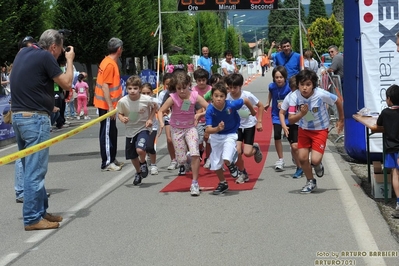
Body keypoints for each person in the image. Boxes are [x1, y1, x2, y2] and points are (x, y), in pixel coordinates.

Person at [11, 29, 75, 230]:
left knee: (31, 166)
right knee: (35, 170)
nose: (61, 54)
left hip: (18, 116)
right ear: (54, 47)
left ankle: (40, 211)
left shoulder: (23, 53)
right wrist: (70, 60)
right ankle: (32, 218)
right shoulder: (46, 56)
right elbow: (66, 84)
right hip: (34, 118)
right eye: (61, 50)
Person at [287, 69, 344, 193]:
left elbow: (338, 101)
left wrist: (341, 120)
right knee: (302, 158)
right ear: (298, 85)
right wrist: (301, 114)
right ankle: (310, 181)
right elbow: (291, 119)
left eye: (308, 84)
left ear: (313, 84)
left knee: (315, 160)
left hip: (320, 129)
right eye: (302, 85)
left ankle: (317, 164)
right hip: (304, 129)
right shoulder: (294, 96)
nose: (305, 88)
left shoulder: (321, 94)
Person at [157, 71, 209, 196]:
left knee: (195, 153)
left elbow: (209, 107)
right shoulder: (172, 98)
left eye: (184, 88)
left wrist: (200, 114)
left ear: (189, 85)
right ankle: (187, 160)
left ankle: (194, 183)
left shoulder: (194, 96)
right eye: (178, 88)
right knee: (181, 159)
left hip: (191, 128)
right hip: (177, 129)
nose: (181, 91)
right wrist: (161, 122)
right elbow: (160, 111)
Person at [205, 82, 257, 195]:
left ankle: (231, 165)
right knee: (216, 164)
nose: (219, 99)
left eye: (221, 96)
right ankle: (223, 183)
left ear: (225, 96)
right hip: (216, 136)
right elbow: (208, 130)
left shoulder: (231, 105)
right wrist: (217, 128)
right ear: (212, 97)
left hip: (230, 134)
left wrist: (252, 112)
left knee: (226, 157)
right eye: (216, 96)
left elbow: (246, 100)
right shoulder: (210, 110)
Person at [117, 76, 156, 186]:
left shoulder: (146, 99)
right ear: (126, 89)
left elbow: (155, 107)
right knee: (132, 156)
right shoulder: (123, 101)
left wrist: (150, 119)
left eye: (135, 88)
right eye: (130, 88)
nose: (132, 91)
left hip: (143, 128)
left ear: (139, 89)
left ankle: (143, 162)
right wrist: (122, 118)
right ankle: (138, 172)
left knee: (140, 149)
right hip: (130, 130)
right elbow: (119, 113)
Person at [226, 73, 264, 184]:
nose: (232, 90)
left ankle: (255, 149)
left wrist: (260, 122)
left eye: (235, 87)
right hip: (235, 127)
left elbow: (260, 106)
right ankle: (243, 173)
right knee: (237, 151)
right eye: (230, 87)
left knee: (247, 153)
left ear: (240, 86)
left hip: (248, 125)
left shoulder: (247, 95)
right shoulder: (227, 97)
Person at [94, 37, 124, 172]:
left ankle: (111, 157)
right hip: (106, 105)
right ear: (119, 49)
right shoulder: (110, 64)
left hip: (108, 104)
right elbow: (105, 86)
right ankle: (107, 161)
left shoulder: (107, 61)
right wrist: (111, 106)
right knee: (106, 132)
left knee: (112, 131)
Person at [377, 84, 399, 218]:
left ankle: (398, 202)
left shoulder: (385, 112)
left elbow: (379, 124)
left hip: (392, 148)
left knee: (395, 174)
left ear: (389, 99)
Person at [265, 66, 291, 172]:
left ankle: (295, 153)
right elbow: (271, 94)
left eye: (281, 77)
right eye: (276, 77)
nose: (279, 79)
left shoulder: (289, 87)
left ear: (285, 77)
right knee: (276, 135)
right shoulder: (272, 86)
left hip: (289, 115)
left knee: (290, 137)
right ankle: (280, 159)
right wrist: (268, 102)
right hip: (276, 115)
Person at [278, 75, 303, 178]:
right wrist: (284, 126)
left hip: (306, 124)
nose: (295, 91)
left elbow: (310, 113)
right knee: (294, 146)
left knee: (306, 148)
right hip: (293, 124)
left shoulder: (306, 96)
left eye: (296, 89)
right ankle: (299, 167)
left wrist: (312, 123)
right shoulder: (289, 97)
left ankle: (314, 161)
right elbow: (282, 113)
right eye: (293, 89)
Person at [191, 68, 212, 167]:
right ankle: (200, 150)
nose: (201, 82)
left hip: (209, 119)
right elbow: (188, 103)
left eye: (203, 80)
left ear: (207, 80)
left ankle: (208, 158)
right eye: (199, 80)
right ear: (196, 80)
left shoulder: (211, 90)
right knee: (199, 140)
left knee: (208, 140)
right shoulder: (193, 91)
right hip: (198, 120)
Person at [158, 73, 178, 170]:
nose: (169, 86)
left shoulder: (180, 92)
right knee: (169, 139)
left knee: (181, 140)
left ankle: (184, 157)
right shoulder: (163, 94)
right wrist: (164, 113)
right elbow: (161, 108)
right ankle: (173, 159)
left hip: (180, 120)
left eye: (171, 84)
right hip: (168, 119)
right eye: (167, 84)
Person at [141, 83, 159, 175]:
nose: (146, 96)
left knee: (150, 146)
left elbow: (160, 110)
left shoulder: (155, 101)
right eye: (143, 93)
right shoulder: (137, 102)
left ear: (152, 93)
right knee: (141, 148)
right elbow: (133, 114)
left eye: (148, 93)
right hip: (140, 128)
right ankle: (143, 162)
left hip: (152, 127)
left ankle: (153, 165)